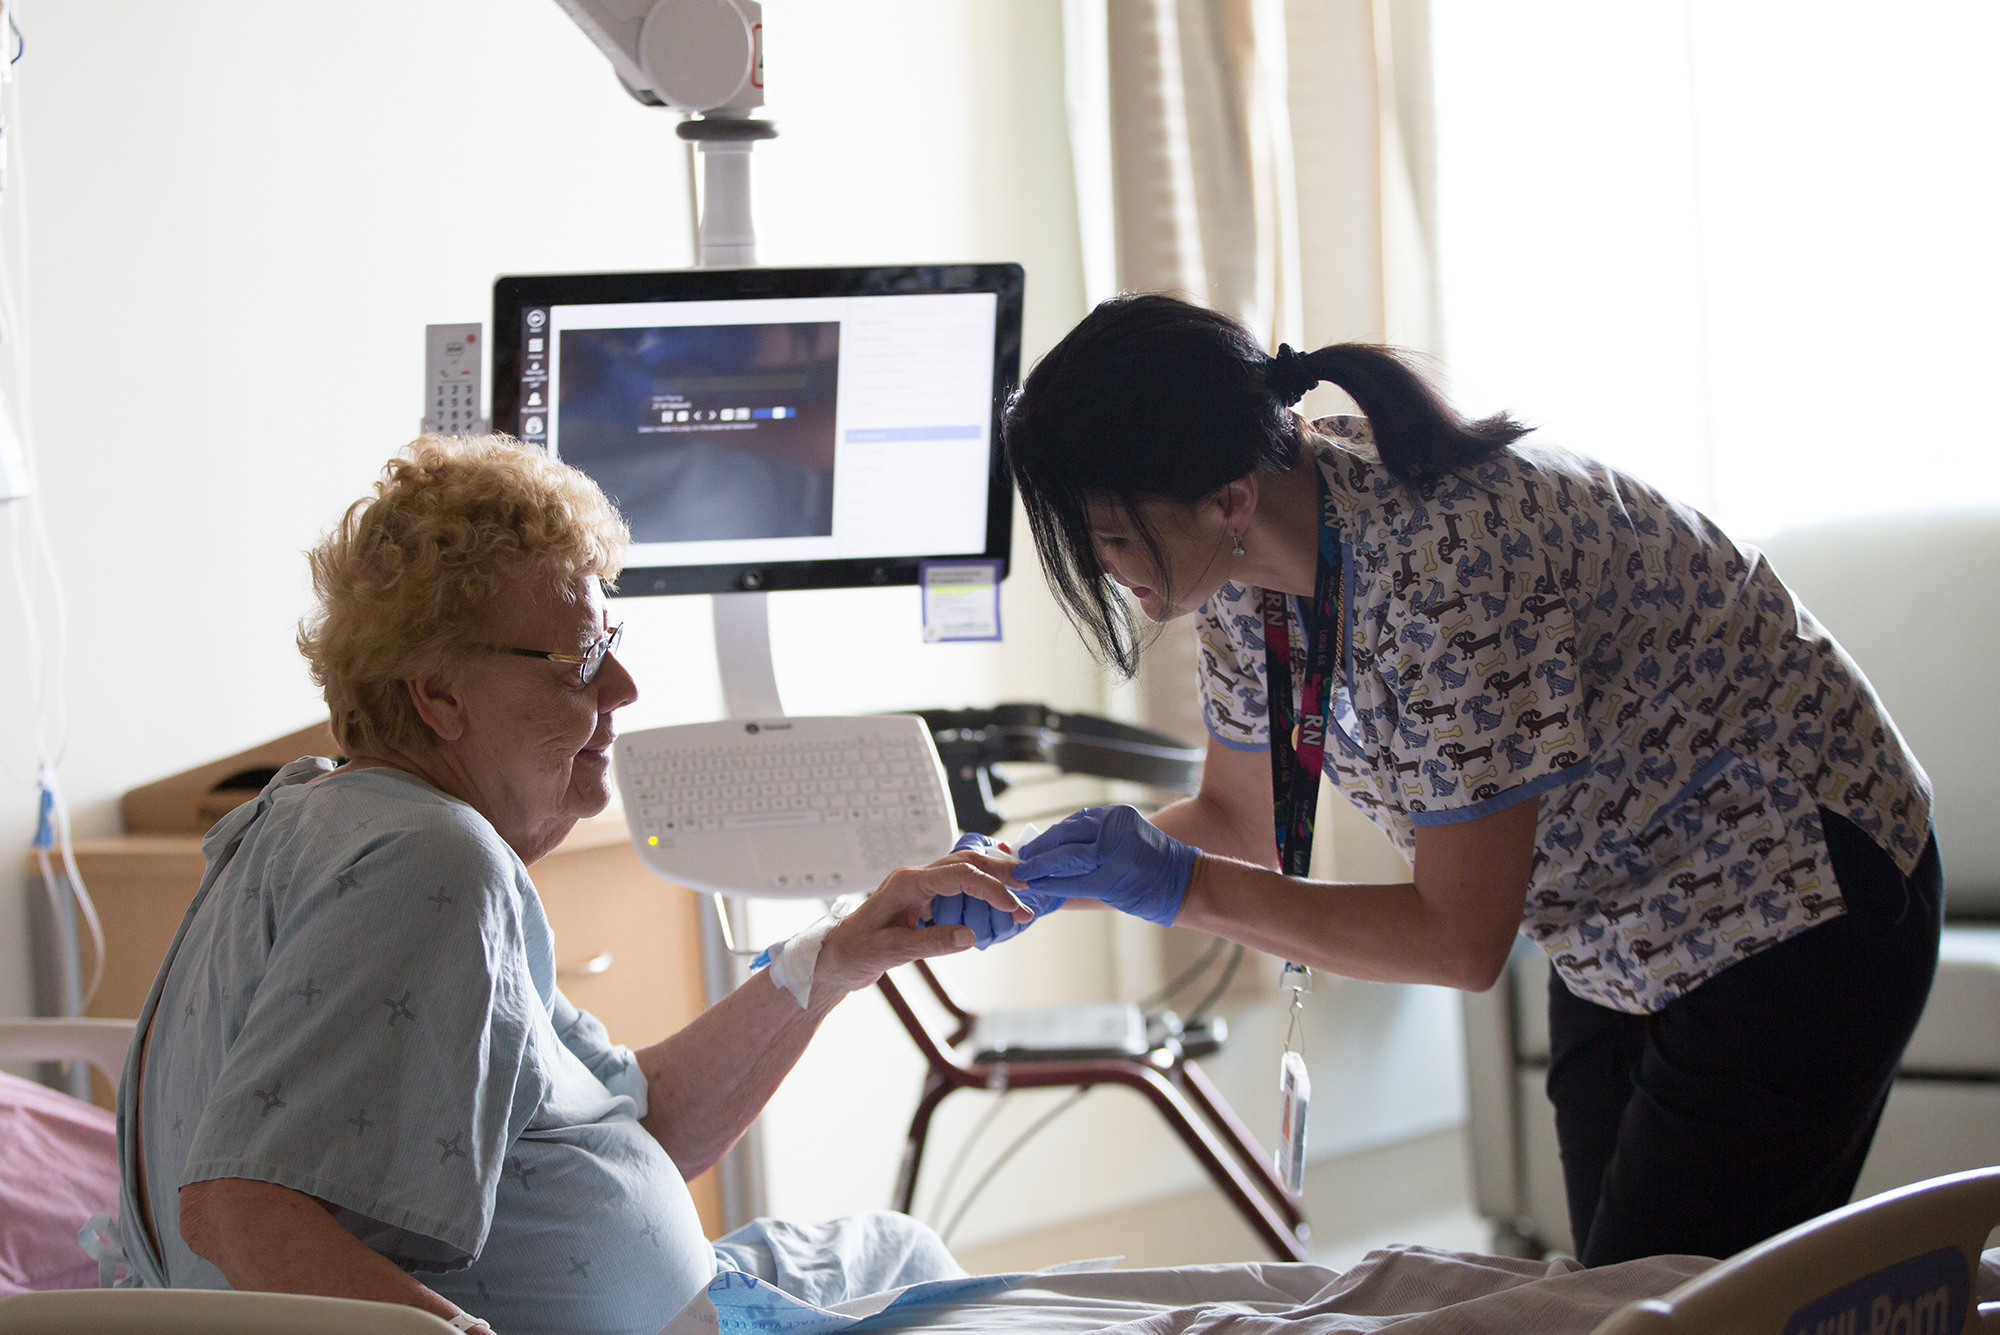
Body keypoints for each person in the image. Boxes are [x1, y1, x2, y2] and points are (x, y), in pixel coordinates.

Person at [937, 293, 1942, 1266]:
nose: (1113, 570)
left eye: (1114, 539)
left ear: (1227, 496)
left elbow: (1458, 943)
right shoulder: (1242, 565)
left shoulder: (1446, 568)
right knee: (1615, 1298)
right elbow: (1236, 816)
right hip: (1615, 917)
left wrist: (1174, 887)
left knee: (1679, 1308)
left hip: (1796, 887)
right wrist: (1032, 878)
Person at [113, 436, 1029, 1335]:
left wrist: (832, 959)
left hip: (679, 1296)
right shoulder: (429, 861)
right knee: (928, 1283)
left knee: (891, 1251)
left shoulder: (328, 819)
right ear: (439, 693)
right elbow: (237, 1211)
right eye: (583, 659)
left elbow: (642, 1111)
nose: (624, 686)